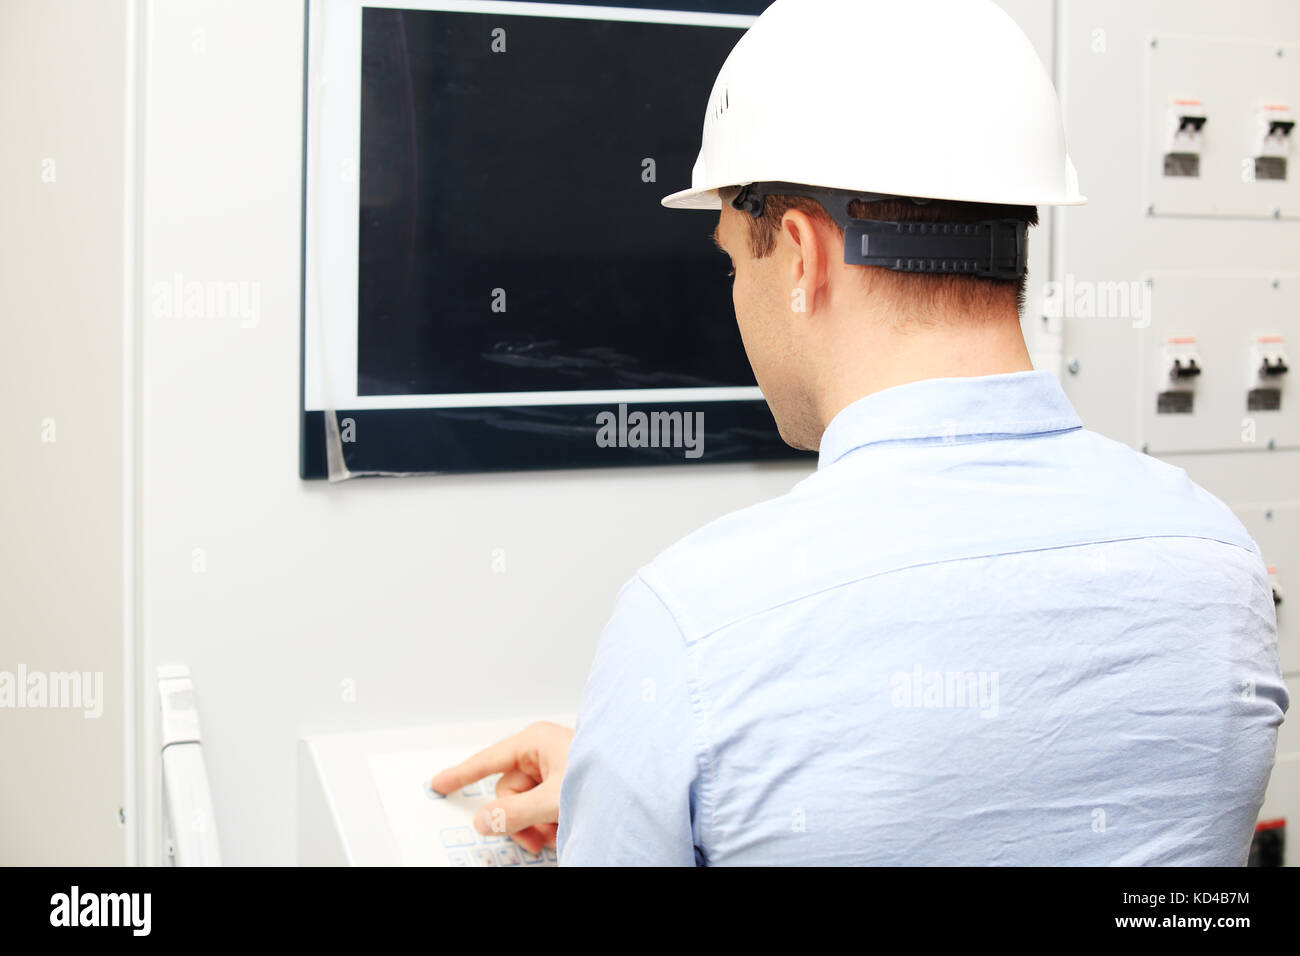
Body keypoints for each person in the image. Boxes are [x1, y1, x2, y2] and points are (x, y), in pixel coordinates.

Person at [432, 0, 1288, 864]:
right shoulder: (1219, 567)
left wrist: (655, 760)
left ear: (801, 257)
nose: (735, 296)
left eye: (734, 261)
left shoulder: (695, 629)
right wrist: (634, 777)